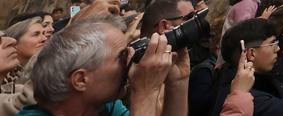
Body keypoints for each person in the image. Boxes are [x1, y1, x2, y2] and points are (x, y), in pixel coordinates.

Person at [21, 15, 185, 116]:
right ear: (81, 80)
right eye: (122, 56)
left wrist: (178, 81)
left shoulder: (105, 107)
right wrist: (145, 92)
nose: (130, 61)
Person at [212, 18, 283, 116]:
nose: (277, 49)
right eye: (273, 43)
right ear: (251, 54)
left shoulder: (244, 82)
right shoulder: (250, 101)